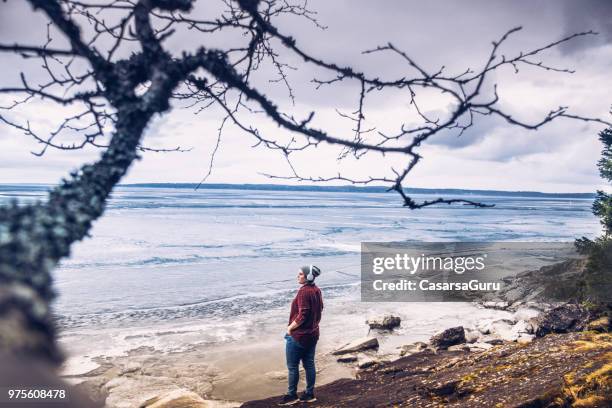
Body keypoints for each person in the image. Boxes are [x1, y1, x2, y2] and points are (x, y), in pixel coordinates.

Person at [278, 265, 323, 406]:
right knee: (309, 364)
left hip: (299, 336)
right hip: (313, 334)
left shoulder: (304, 291)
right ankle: (309, 394)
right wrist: (313, 325)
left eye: (300, 274)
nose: (297, 276)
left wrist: (290, 329)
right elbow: (320, 310)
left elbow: (302, 315)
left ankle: (292, 396)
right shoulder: (317, 289)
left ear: (308, 276)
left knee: (292, 367)